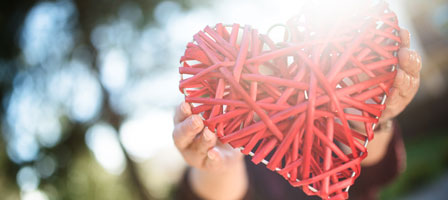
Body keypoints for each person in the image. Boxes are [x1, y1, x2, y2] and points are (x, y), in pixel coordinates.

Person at [172, 28, 421, 200]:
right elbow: (218, 193)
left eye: (253, 59)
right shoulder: (226, 141)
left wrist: (372, 118)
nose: (246, 80)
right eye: (237, 71)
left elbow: (375, 171)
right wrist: (218, 165)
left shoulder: (323, 111)